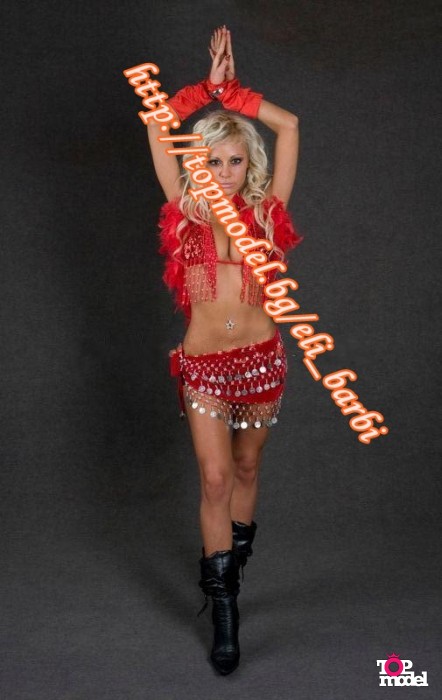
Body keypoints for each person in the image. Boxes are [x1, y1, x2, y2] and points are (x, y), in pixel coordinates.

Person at [147, 26, 302, 675]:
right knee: (213, 478)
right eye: (212, 161)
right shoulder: (183, 212)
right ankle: (225, 609)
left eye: (235, 161)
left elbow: (288, 126)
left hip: (262, 362)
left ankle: (230, 568)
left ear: (248, 165)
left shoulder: (267, 213)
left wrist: (237, 98)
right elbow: (157, 123)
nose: (224, 173)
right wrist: (205, 92)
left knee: (244, 468)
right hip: (205, 367)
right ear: (197, 164)